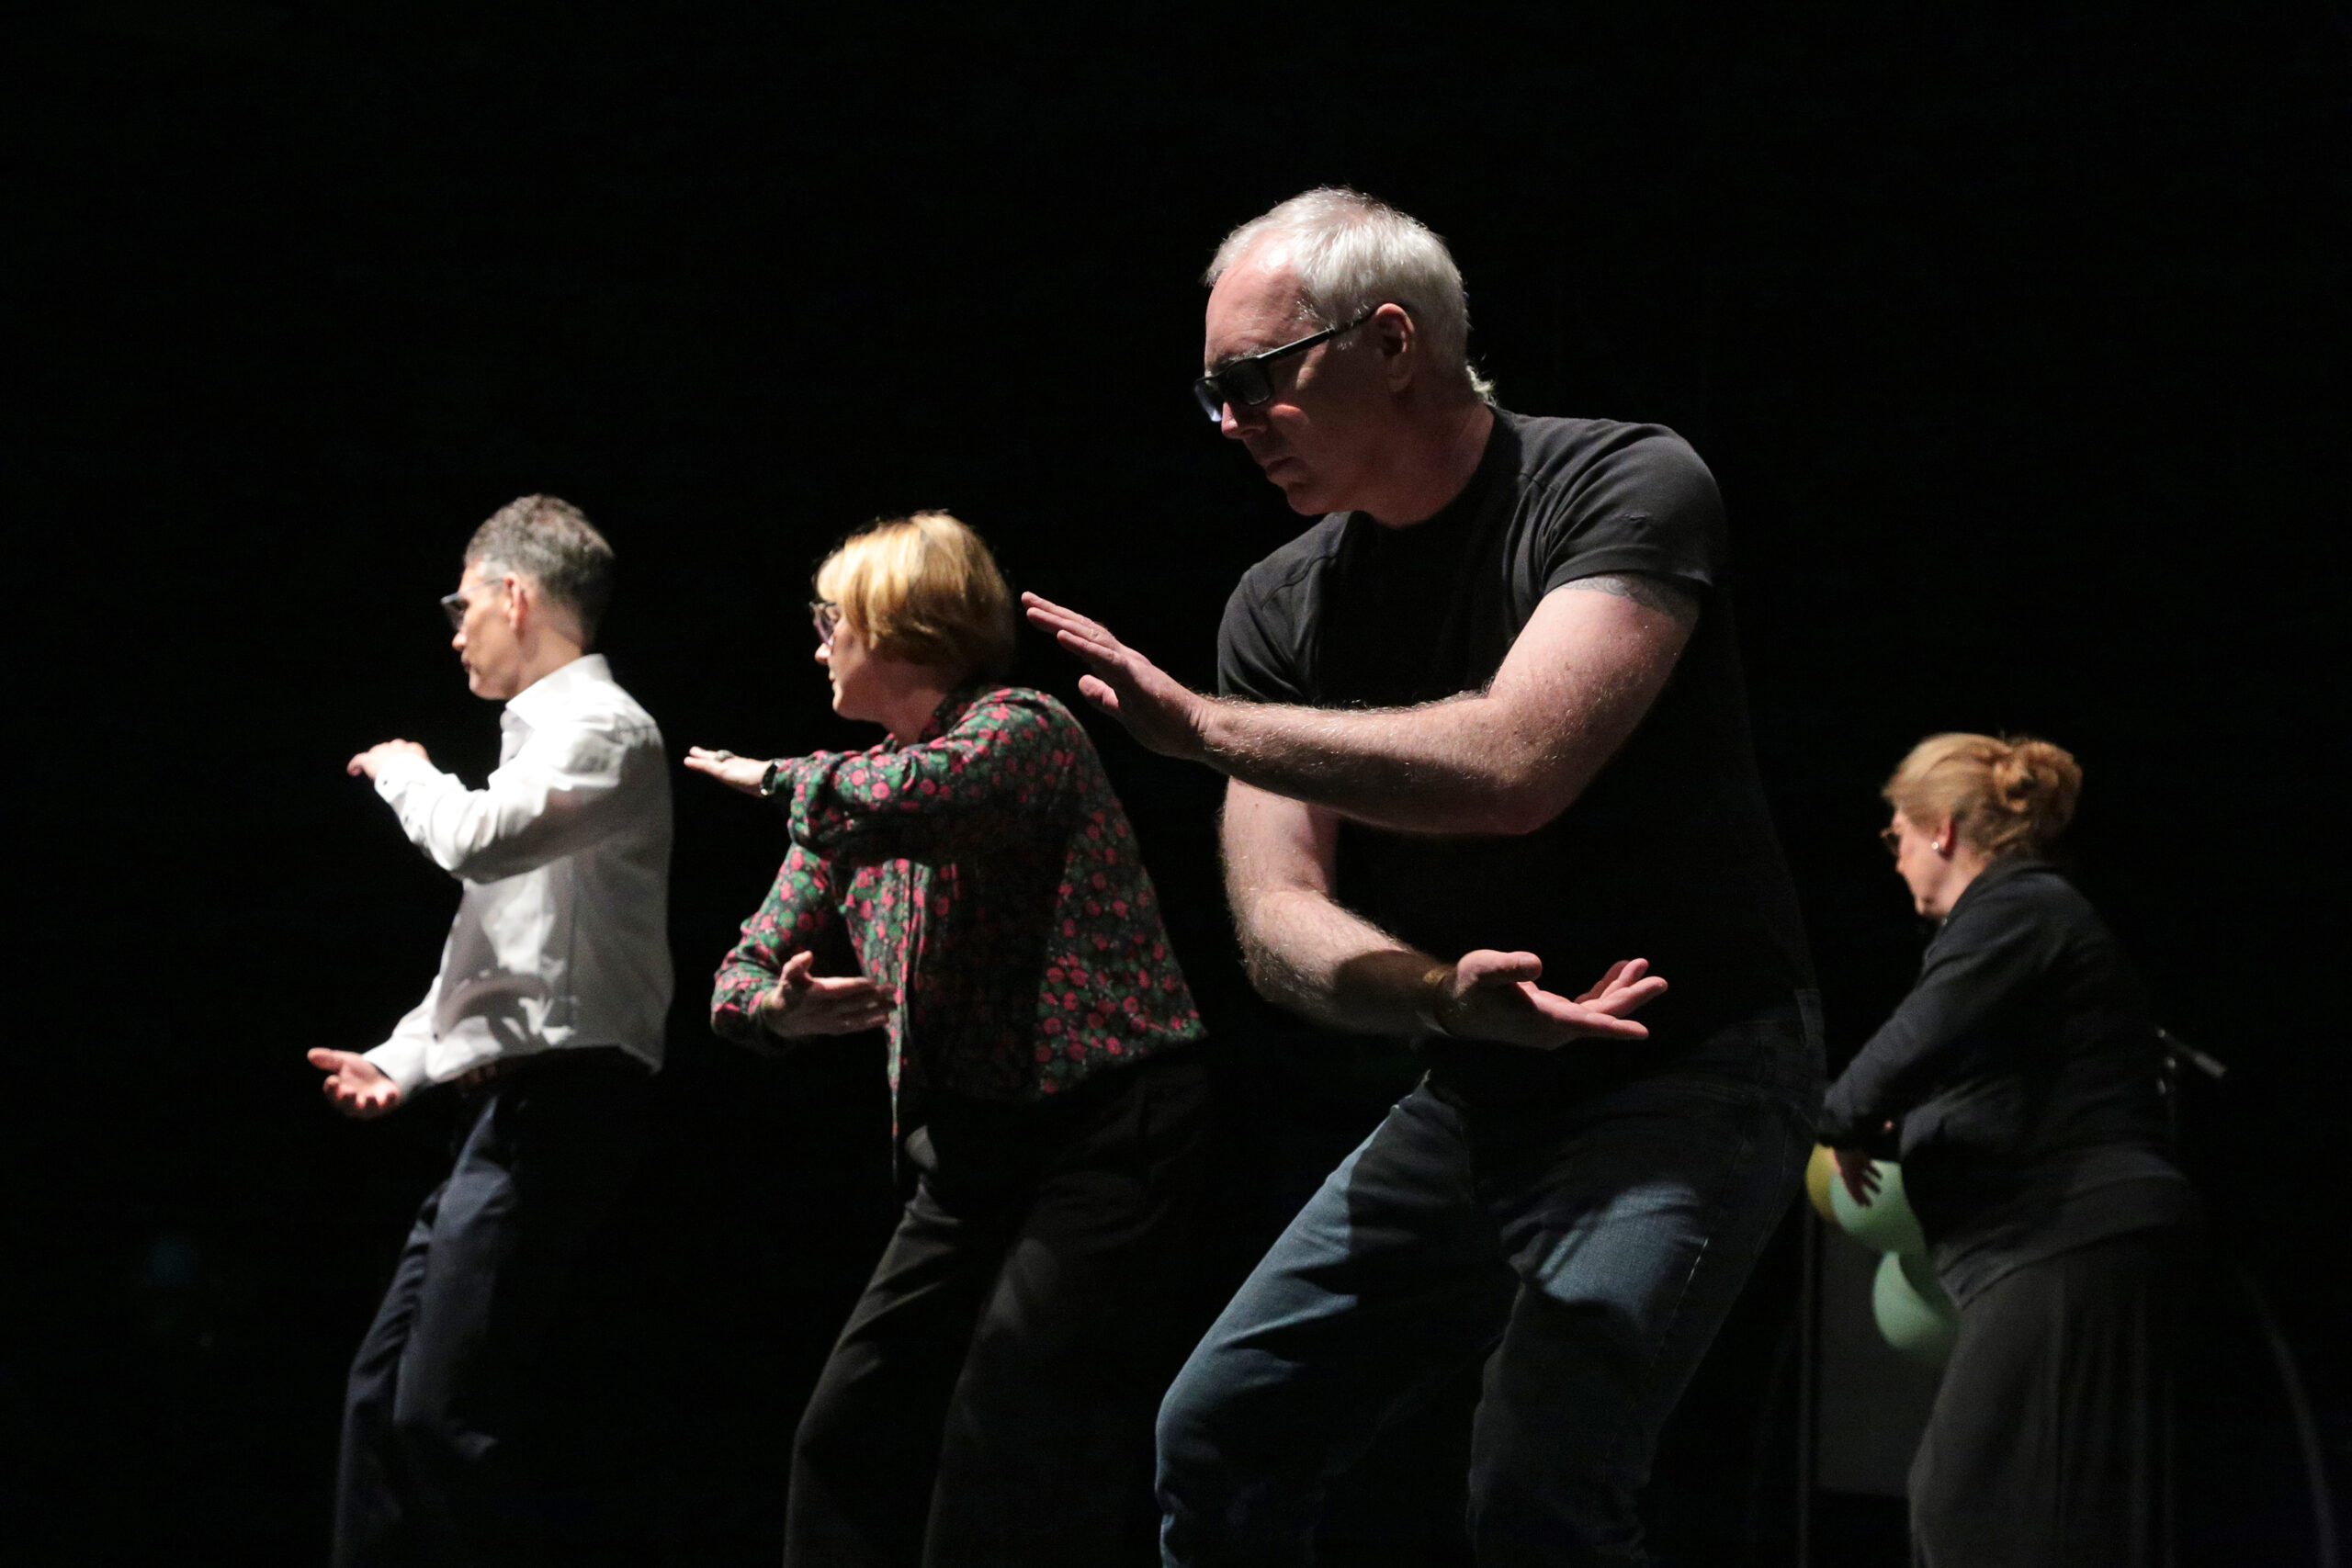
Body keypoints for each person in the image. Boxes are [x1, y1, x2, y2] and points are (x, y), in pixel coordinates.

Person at [1022, 187, 1821, 1565]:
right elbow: (1277, 914)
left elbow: (1517, 764)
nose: (1230, 423)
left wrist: (1204, 730)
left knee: (1541, 1477)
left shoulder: (1623, 482)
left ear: (1392, 341)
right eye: (1212, 393)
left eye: (1254, 380)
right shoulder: (1281, 602)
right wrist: (1439, 994)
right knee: (1216, 1436)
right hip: (1477, 1086)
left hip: (1687, 1068)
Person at [686, 512, 1211, 1568]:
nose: (818, 645)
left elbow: (932, 788)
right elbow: (741, 971)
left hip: (1104, 1133)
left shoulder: (1025, 731)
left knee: (1006, 1432)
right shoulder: (845, 800)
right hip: (970, 1153)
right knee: (847, 1426)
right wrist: (776, 1009)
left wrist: (773, 776)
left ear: (898, 625)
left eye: (832, 621)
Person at [311, 495, 672, 1567]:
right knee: (381, 1398)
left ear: (514, 596)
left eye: (461, 605)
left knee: (444, 1415)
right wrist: (399, 1059)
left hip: (565, 1103)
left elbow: (471, 841)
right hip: (507, 1110)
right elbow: (493, 953)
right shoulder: (545, 741)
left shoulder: (605, 730)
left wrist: (404, 768)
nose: (456, 629)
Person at [1819, 734, 2195, 1566]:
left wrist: (1833, 1116)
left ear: (1943, 829)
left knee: (1975, 1507)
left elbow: (1900, 1053)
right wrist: (1881, 1125)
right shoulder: (2018, 920)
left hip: (2066, 1239)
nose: (1895, 857)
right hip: (2056, 1245)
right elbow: (1987, 1088)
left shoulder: (2015, 909)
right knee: (2009, 1511)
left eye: (1897, 834)